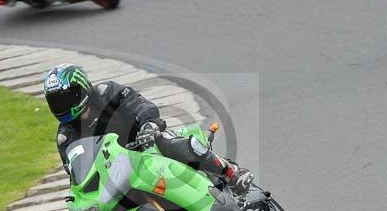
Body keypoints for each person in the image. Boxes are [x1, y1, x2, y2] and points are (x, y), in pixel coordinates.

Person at [43, 63, 255, 193]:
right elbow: (75, 172)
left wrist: (149, 125)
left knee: (171, 144)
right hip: (118, 171)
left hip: (147, 141)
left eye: (67, 98)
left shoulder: (107, 92)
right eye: (56, 102)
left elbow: (141, 104)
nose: (63, 106)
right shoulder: (65, 137)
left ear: (82, 88)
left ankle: (230, 172)